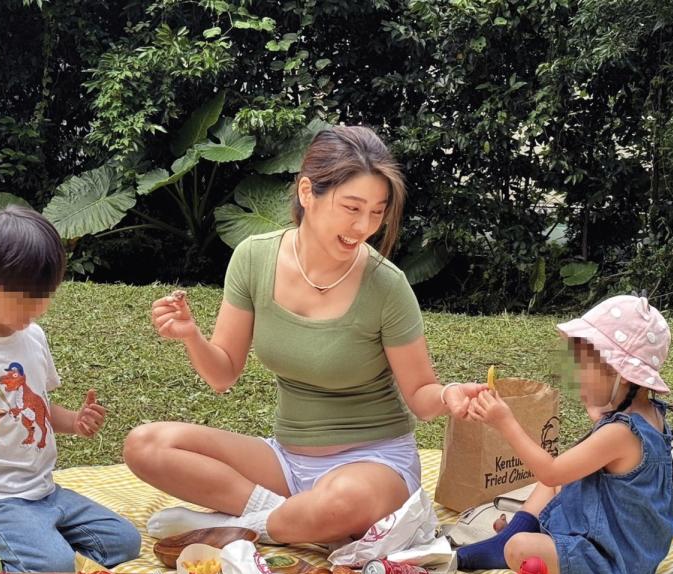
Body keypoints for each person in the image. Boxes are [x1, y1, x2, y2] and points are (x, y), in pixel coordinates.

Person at [124, 126, 485, 545]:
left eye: (377, 211)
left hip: (372, 463)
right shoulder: (254, 259)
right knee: (145, 444)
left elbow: (421, 395)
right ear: (307, 191)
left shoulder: (387, 285)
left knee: (343, 501)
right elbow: (222, 374)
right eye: (351, 208)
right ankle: (285, 518)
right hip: (284, 460)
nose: (364, 226)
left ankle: (239, 525)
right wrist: (191, 335)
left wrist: (448, 395)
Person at [0, 206, 141, 572]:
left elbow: (39, 408)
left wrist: (75, 421)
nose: (37, 309)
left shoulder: (32, 336)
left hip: (44, 493)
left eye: (45, 297)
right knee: (58, 567)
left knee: (125, 541)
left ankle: (4, 555)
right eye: (23, 300)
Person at [459, 295, 673, 574]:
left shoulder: (620, 433)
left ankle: (511, 541)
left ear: (620, 375)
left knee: (519, 548)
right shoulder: (646, 414)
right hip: (626, 545)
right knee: (560, 480)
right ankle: (514, 532)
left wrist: (505, 422)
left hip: (614, 563)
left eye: (584, 366)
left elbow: (550, 472)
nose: (575, 376)